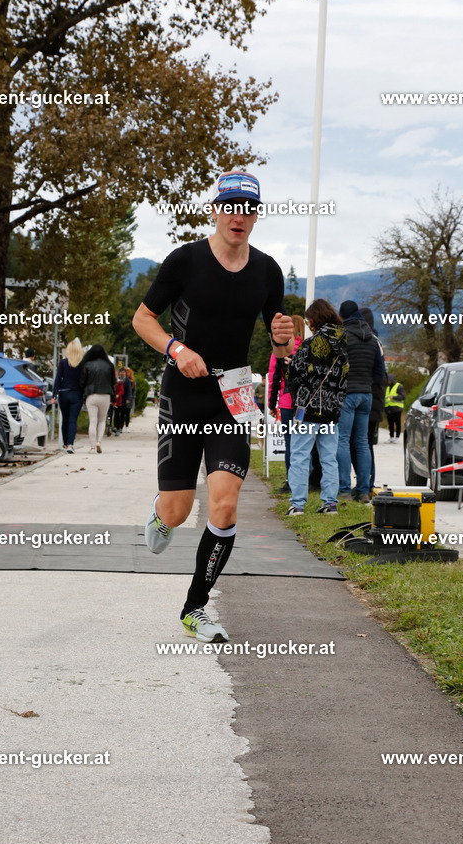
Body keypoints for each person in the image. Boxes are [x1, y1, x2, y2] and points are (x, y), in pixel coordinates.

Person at [132, 169, 293, 642]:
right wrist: (176, 349)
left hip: (233, 395)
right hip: (183, 394)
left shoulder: (268, 271)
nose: (238, 217)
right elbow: (143, 319)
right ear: (215, 210)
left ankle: (195, 608)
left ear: (256, 216)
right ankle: (162, 512)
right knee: (179, 511)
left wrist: (283, 340)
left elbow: (280, 345)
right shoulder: (185, 260)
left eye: (248, 210)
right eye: (230, 207)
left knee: (224, 505)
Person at [284, 299, 349, 516]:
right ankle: (330, 503)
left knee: (300, 456)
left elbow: (295, 373)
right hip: (332, 411)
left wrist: (290, 364)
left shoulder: (311, 344)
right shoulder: (344, 343)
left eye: (309, 320)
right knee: (329, 458)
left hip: (308, 409)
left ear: (315, 319)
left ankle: (297, 504)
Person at [336, 300, 386, 504]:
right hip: (366, 395)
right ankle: (364, 490)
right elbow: (380, 371)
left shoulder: (342, 337)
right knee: (362, 442)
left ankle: (344, 489)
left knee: (342, 440)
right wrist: (366, 382)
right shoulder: (372, 339)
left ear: (343, 316)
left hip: (347, 394)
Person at [268, 314, 304, 493]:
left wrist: (271, 404)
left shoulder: (280, 350)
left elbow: (274, 378)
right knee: (305, 443)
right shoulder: (307, 348)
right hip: (305, 404)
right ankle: (306, 480)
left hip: (287, 402)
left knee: (290, 443)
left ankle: (291, 482)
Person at [359, 306, 387, 494]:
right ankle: (367, 483)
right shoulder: (376, 341)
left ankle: (367, 483)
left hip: (368, 399)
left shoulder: (369, 341)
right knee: (366, 444)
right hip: (374, 401)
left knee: (363, 444)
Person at [79, 344, 115, 453]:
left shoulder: (87, 364)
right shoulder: (109, 365)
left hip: (91, 395)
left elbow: (82, 382)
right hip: (106, 395)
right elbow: (113, 383)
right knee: (102, 420)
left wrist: (83, 395)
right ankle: (99, 441)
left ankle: (92, 447)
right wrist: (114, 398)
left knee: (93, 421)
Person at [52, 338, 84, 452]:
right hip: (77, 394)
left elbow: (58, 379)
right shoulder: (82, 364)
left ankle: (65, 444)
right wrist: (84, 395)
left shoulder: (63, 363)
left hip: (64, 393)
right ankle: (70, 444)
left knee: (65, 419)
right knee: (72, 420)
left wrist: (54, 395)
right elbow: (84, 381)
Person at [385, 374, 406, 442]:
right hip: (389, 408)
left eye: (388, 380)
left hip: (397, 408)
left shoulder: (399, 386)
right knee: (390, 423)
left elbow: (403, 397)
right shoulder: (387, 388)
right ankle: (391, 437)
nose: (387, 381)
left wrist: (394, 397)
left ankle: (397, 437)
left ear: (391, 380)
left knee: (397, 423)